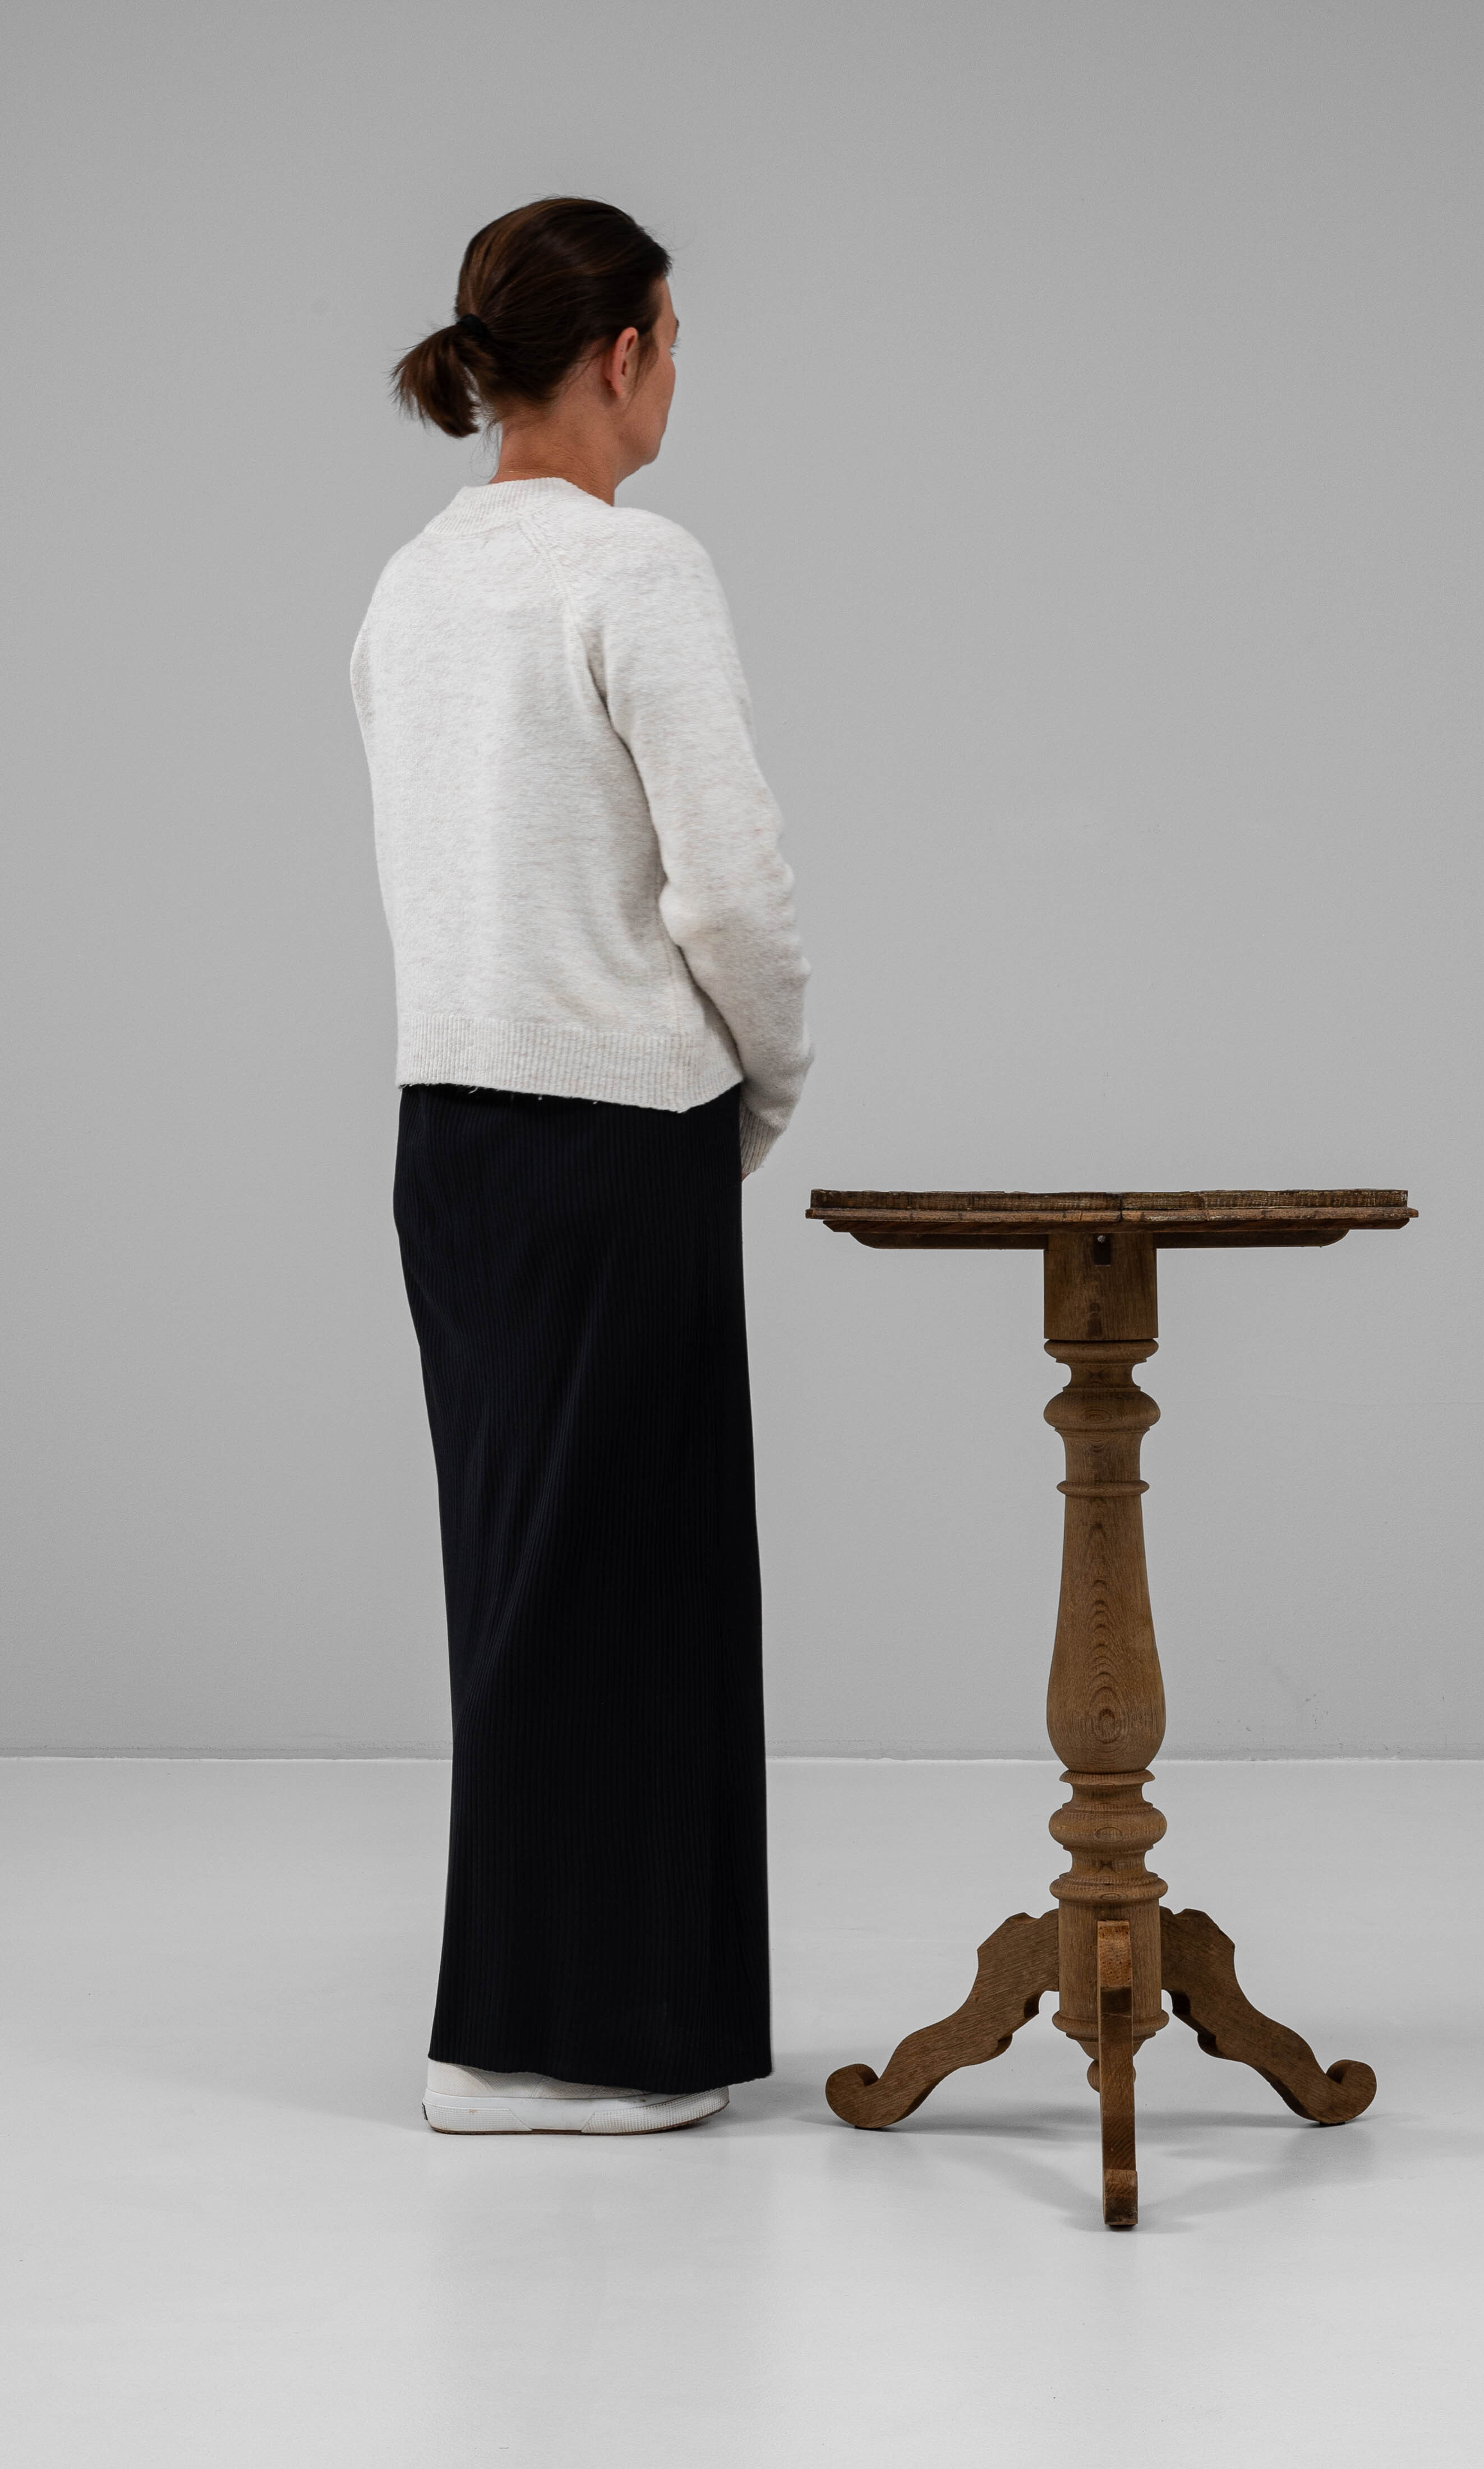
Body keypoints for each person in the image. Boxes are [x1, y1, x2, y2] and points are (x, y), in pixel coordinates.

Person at [351, 197, 812, 2135]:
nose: (679, 374)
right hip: (620, 1133)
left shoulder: (407, 590)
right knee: (639, 1588)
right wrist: (766, 1085)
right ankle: (541, 2047)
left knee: (525, 1582)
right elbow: (736, 893)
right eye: (675, 339)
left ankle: (566, 2027)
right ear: (619, 354)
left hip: (450, 1138)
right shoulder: (638, 570)